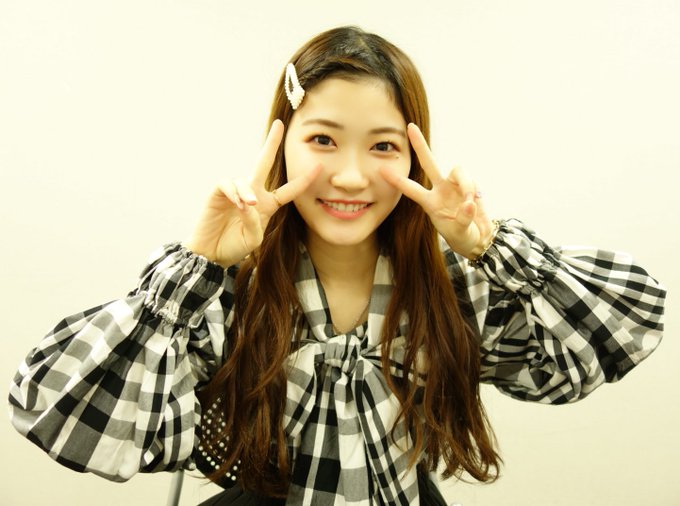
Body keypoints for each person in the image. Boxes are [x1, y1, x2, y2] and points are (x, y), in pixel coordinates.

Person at [8, 26, 666, 506]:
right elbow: (58, 413)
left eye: (382, 146)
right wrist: (198, 264)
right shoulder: (220, 287)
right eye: (323, 139)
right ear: (281, 145)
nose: (350, 176)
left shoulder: (456, 283)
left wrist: (490, 245)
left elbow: (624, 330)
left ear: (415, 155)